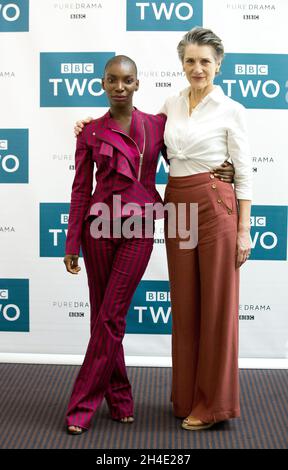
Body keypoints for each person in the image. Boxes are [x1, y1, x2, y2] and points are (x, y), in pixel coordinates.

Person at [71, 48, 237, 434]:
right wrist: (69, 243)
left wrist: (221, 168)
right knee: (102, 316)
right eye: (112, 79)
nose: (119, 86)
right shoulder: (92, 131)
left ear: (137, 84)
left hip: (140, 226)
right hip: (98, 229)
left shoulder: (155, 124)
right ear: (102, 84)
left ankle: (81, 404)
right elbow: (80, 190)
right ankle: (121, 398)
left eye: (127, 79)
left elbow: (186, 150)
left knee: (111, 315)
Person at [162, 27, 252, 431]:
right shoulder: (170, 104)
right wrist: (89, 126)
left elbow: (244, 174)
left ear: (218, 64)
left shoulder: (231, 109)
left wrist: (245, 230)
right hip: (177, 204)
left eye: (205, 61)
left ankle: (214, 405)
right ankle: (186, 396)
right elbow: (143, 138)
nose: (197, 68)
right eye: (190, 61)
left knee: (217, 306)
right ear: (181, 64)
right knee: (184, 305)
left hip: (216, 206)